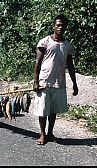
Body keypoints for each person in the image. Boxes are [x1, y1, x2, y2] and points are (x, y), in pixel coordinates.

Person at [33, 14, 78, 145]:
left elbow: (70, 66)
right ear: (54, 26)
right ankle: (42, 134)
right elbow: (38, 62)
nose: (60, 27)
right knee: (42, 109)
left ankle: (50, 133)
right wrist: (35, 81)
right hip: (44, 81)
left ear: (66, 27)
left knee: (53, 110)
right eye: (58, 25)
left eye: (63, 25)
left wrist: (74, 84)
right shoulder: (44, 42)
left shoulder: (67, 46)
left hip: (59, 82)